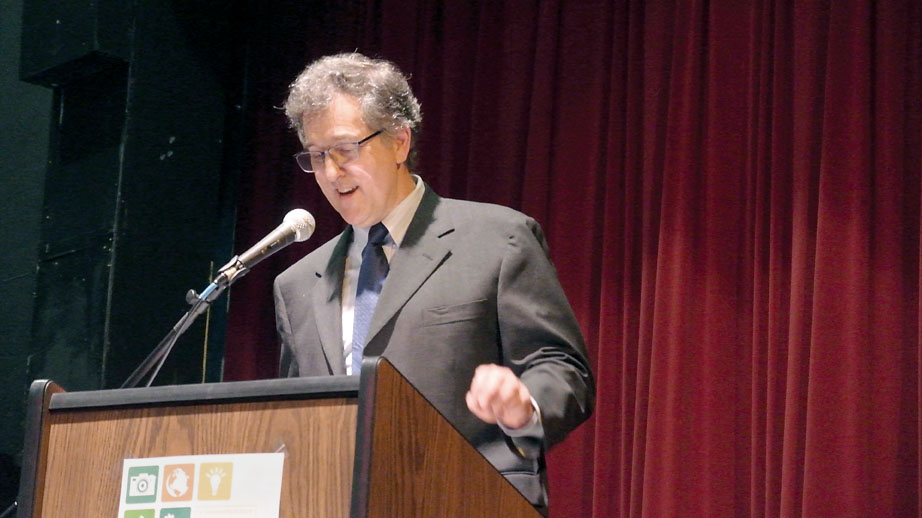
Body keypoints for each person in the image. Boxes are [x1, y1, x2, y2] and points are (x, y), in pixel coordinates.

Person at [273, 52, 594, 512]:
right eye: (317, 156)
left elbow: (564, 369)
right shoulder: (297, 284)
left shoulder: (497, 239)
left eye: (345, 150)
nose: (330, 173)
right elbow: (297, 421)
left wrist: (526, 404)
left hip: (470, 499)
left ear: (399, 141)